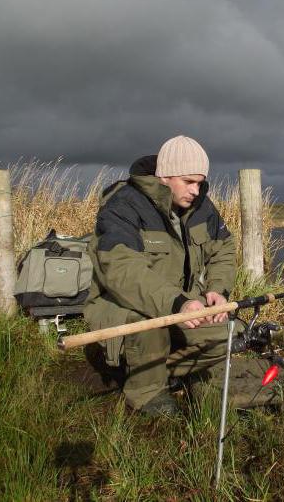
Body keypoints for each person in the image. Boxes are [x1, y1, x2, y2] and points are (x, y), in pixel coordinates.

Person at [84, 135, 238, 416]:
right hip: (123, 304)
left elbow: (224, 251)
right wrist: (177, 303)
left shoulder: (203, 207)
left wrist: (217, 290)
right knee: (150, 326)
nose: (196, 190)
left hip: (181, 303)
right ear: (165, 176)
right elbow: (121, 269)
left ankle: (153, 368)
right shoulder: (124, 205)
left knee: (234, 334)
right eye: (188, 181)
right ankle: (145, 392)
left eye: (200, 182)